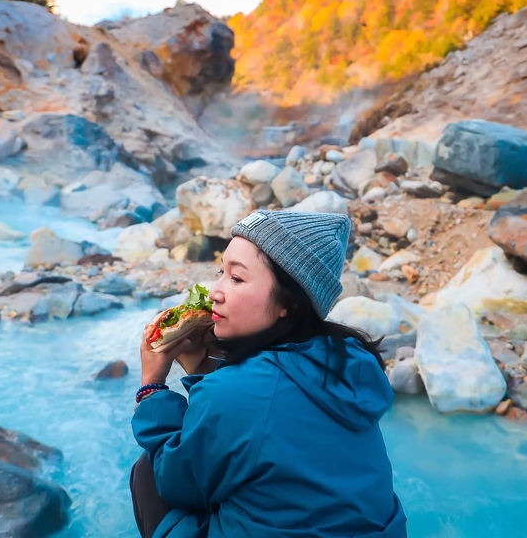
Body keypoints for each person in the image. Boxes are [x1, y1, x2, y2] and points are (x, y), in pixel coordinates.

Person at [130, 210, 408, 538]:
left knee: (148, 471)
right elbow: (266, 432)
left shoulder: (236, 392)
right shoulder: (345, 360)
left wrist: (152, 387)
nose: (215, 292)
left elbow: (176, 484)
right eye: (221, 272)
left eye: (236, 278)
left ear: (288, 302)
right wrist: (204, 370)